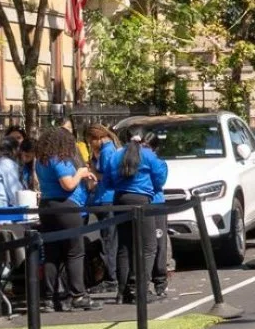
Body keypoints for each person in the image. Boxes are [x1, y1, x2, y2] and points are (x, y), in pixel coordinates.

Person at [34, 126, 100, 311]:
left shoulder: (41, 161)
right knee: (74, 252)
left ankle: (49, 298)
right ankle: (78, 295)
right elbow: (68, 184)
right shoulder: (59, 159)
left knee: (52, 254)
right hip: (65, 207)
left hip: (47, 207)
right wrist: (80, 172)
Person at [101, 132, 169, 304]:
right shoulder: (147, 154)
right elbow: (160, 178)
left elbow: (107, 181)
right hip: (141, 200)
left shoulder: (116, 154)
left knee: (124, 246)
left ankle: (122, 292)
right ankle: (141, 290)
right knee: (149, 246)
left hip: (120, 200)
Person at [83, 124, 121, 292]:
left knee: (109, 240)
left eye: (90, 142)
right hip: (104, 199)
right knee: (110, 239)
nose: (90, 145)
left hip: (105, 198)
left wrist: (90, 172)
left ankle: (112, 278)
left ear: (95, 138)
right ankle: (112, 276)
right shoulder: (110, 149)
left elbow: (106, 176)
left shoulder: (107, 151)